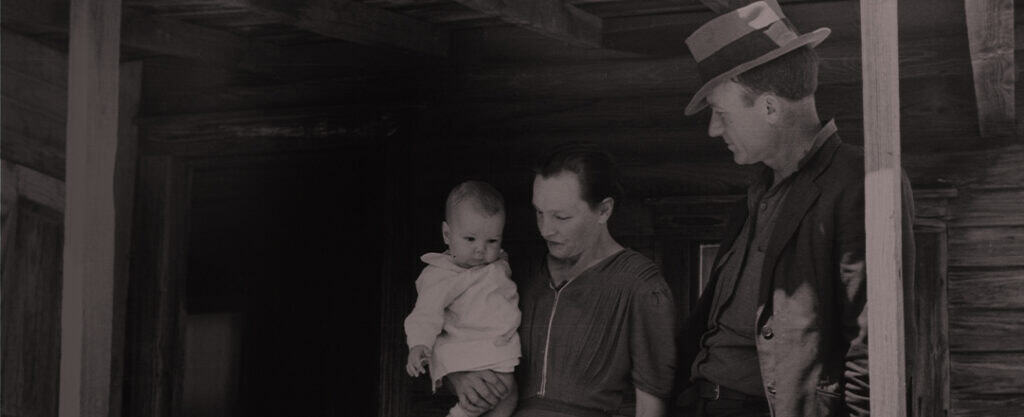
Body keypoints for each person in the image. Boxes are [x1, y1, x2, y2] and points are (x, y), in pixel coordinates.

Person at [677, 1, 916, 416]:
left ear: (770, 108)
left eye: (720, 113)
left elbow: (874, 347)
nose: (714, 130)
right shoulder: (756, 193)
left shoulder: (863, 183)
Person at [447, 143, 677, 417]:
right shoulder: (513, 271)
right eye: (539, 213)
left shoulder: (639, 284)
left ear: (604, 210)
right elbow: (456, 330)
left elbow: (651, 405)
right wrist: (456, 375)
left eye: (562, 216)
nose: (546, 229)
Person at [404, 180, 521, 417]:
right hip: (466, 347)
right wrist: (419, 344)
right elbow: (426, 313)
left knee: (506, 395)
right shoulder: (441, 276)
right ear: (447, 234)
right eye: (470, 239)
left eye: (492, 241)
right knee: (498, 393)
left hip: (496, 345)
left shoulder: (495, 262)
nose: (481, 249)